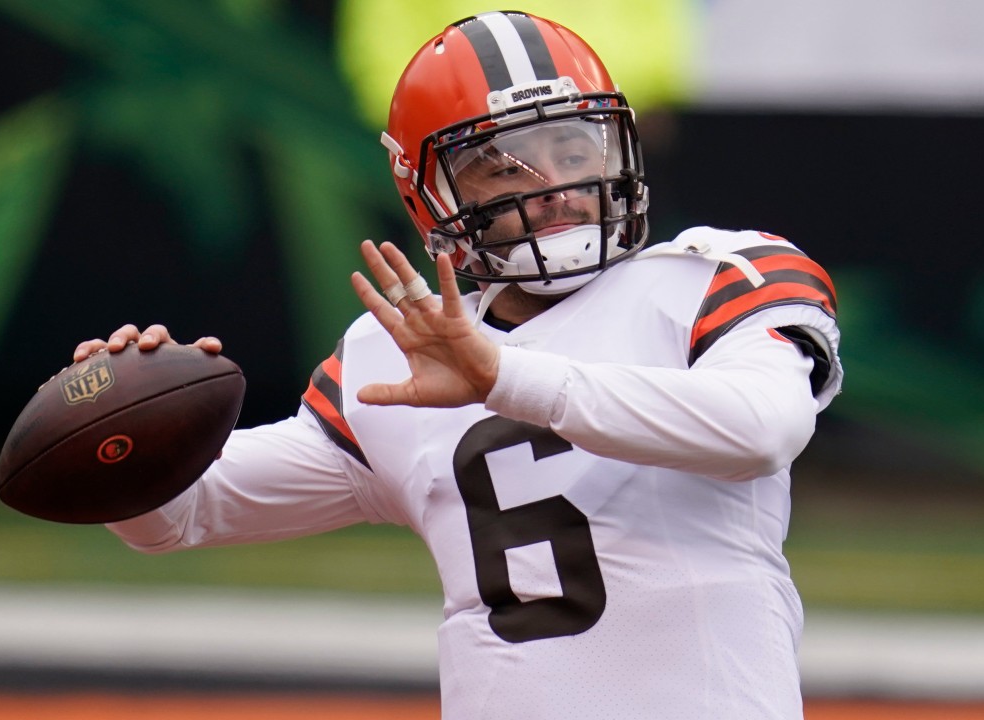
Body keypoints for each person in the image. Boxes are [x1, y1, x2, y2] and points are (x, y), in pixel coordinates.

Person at [76, 10, 842, 719]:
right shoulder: (397, 349)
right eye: (505, 170)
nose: (556, 190)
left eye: (575, 150)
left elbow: (762, 430)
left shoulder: (716, 275)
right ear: (430, 197)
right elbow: (177, 518)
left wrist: (503, 377)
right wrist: (115, 436)